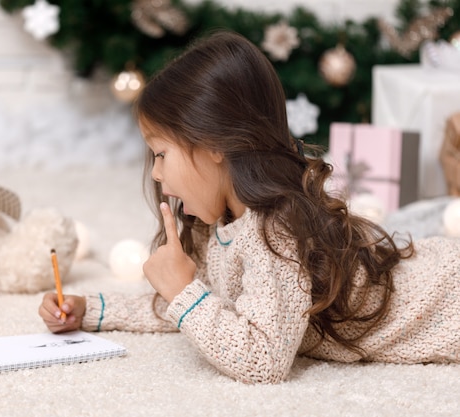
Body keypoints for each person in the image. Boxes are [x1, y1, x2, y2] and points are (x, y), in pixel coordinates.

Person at [39, 30, 460, 384]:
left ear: (215, 146)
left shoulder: (276, 232)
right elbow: (209, 303)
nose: (156, 174)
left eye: (161, 154)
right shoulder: (221, 221)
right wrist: (91, 310)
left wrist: (183, 290)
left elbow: (263, 360)